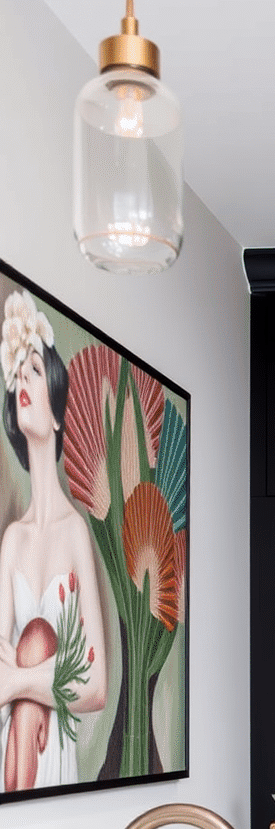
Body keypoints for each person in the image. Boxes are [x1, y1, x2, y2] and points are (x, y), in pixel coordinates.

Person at [0, 290, 107, 789]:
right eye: (19, 375)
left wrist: (20, 683)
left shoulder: (75, 534)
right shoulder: (13, 540)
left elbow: (98, 684)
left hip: (52, 747)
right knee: (35, 638)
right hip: (13, 739)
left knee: (39, 634)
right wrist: (40, 679)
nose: (23, 382)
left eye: (35, 374)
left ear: (59, 412)